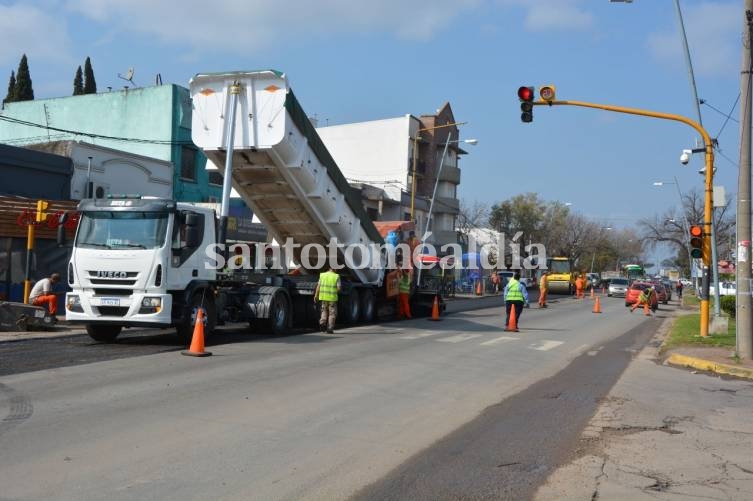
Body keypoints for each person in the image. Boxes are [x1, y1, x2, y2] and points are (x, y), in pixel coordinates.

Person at [314, 266, 341, 333]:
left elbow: (318, 286)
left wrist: (316, 295)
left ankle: (322, 323)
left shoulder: (322, 275)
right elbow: (339, 288)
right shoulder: (336, 276)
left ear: (329, 268)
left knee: (324, 311)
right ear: (335, 268)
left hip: (323, 297)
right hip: (332, 298)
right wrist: (335, 291)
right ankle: (329, 329)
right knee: (332, 313)